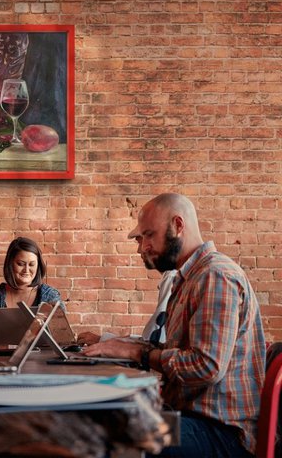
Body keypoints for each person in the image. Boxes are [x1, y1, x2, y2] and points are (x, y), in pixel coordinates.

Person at [82, 193, 265, 458]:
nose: (142, 247)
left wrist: (137, 353)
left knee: (107, 434)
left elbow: (206, 366)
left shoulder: (216, 275)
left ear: (178, 225)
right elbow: (177, 349)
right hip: (194, 420)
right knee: (102, 417)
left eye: (148, 235)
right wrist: (119, 345)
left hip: (222, 434)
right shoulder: (190, 277)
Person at [0, 236, 61, 338]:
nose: (26, 270)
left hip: (43, 354)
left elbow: (61, 337)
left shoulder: (50, 297)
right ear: (10, 264)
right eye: (21, 264)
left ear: (38, 266)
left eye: (31, 265)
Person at [77, 267, 177, 346]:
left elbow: (151, 344)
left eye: (141, 240)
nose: (140, 250)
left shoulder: (171, 275)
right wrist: (103, 340)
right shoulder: (171, 275)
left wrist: (103, 341)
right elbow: (149, 341)